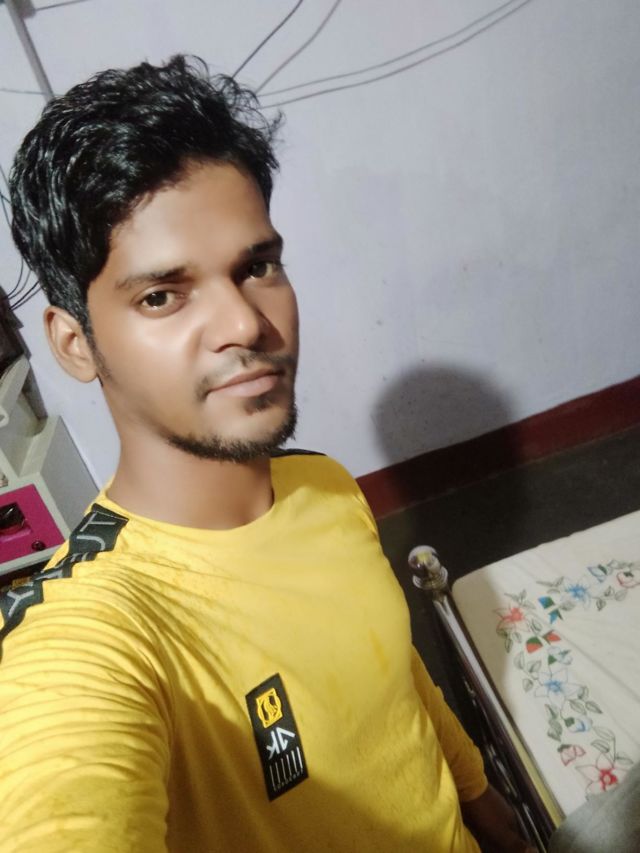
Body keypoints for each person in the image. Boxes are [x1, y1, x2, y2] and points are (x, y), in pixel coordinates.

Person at [1, 55, 534, 852]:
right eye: (161, 295)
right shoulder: (93, 633)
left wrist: (482, 798)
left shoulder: (326, 485)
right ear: (75, 343)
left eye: (257, 267)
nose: (245, 324)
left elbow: (393, 673)